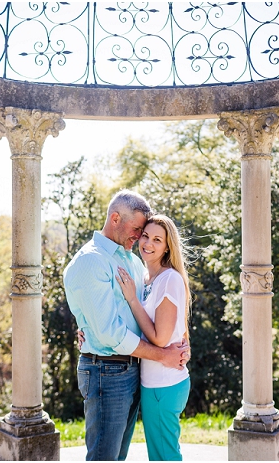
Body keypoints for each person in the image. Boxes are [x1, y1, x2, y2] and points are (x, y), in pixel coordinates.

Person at [64, 190, 189, 461]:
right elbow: (109, 333)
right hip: (106, 372)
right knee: (105, 457)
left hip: (133, 369)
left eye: (147, 233)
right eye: (138, 230)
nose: (140, 237)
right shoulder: (90, 261)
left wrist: (181, 343)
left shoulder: (132, 261)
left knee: (117, 457)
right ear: (115, 218)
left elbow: (159, 311)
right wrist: (163, 355)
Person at [117, 214, 192, 460]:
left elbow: (160, 339)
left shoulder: (169, 278)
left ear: (167, 246)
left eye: (157, 239)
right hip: (154, 382)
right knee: (160, 454)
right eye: (146, 236)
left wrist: (132, 300)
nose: (148, 243)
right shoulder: (145, 277)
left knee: (164, 456)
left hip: (164, 384)